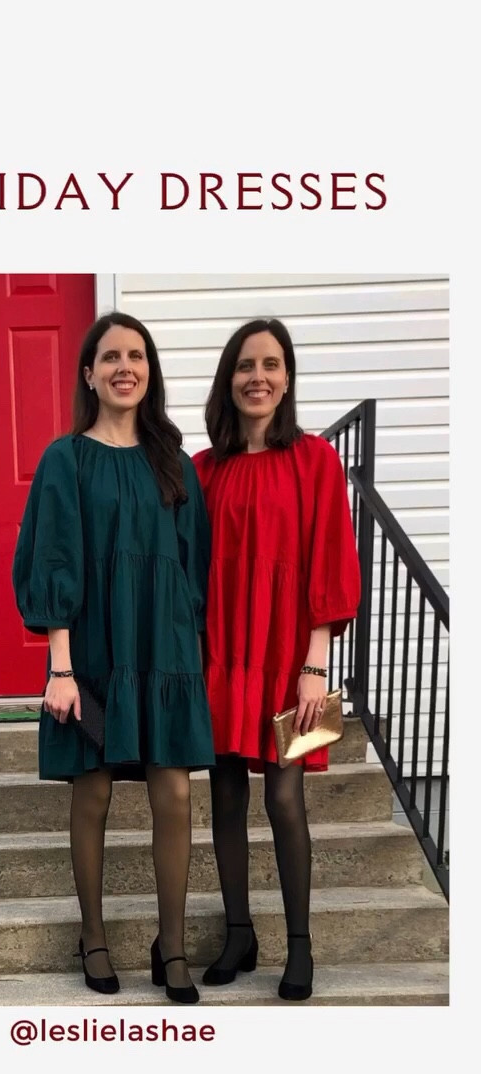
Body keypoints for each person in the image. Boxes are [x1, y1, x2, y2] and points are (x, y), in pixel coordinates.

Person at [12, 312, 215, 1004]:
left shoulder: (176, 464)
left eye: (137, 356)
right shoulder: (65, 458)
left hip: (164, 658)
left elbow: (194, 571)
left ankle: (174, 945)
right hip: (91, 656)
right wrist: (60, 668)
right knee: (93, 788)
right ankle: (93, 935)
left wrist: (193, 657)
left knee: (175, 789)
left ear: (149, 372)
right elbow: (54, 558)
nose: (125, 367)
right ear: (89, 374)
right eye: (111, 357)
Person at [193, 318, 361, 1001]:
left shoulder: (317, 459)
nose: (257, 376)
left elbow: (333, 560)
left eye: (270, 364)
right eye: (244, 365)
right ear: (228, 380)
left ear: (287, 378)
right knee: (226, 792)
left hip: (297, 660)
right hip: (224, 653)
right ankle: (239, 932)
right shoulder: (204, 470)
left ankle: (299, 944)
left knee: (286, 796)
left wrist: (317, 659)